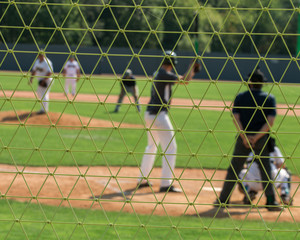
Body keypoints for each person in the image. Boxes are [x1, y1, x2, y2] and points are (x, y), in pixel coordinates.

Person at [215, 67, 282, 211]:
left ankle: (223, 200)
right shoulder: (269, 98)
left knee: (234, 169)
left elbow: (236, 117)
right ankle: (271, 201)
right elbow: (270, 122)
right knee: (266, 170)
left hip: (242, 139)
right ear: (262, 84)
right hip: (262, 139)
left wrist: (245, 136)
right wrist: (256, 137)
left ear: (249, 83)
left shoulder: (240, 97)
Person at [137, 51, 200, 193]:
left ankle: (142, 179)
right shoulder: (165, 74)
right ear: (172, 63)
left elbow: (185, 79)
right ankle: (166, 184)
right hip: (159, 115)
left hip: (149, 114)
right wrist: (191, 66)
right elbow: (185, 80)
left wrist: (192, 70)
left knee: (151, 146)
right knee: (171, 148)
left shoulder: (158, 72)